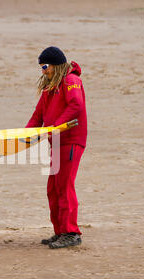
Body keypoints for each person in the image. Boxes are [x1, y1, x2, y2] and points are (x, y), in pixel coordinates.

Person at [26, 46, 87, 249]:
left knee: (64, 186)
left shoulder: (71, 81)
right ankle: (60, 231)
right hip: (57, 143)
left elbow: (76, 105)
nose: (43, 71)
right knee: (53, 187)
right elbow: (38, 114)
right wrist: (25, 136)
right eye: (41, 67)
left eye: (45, 66)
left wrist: (55, 127)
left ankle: (71, 233)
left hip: (70, 141)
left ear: (55, 65)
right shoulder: (50, 86)